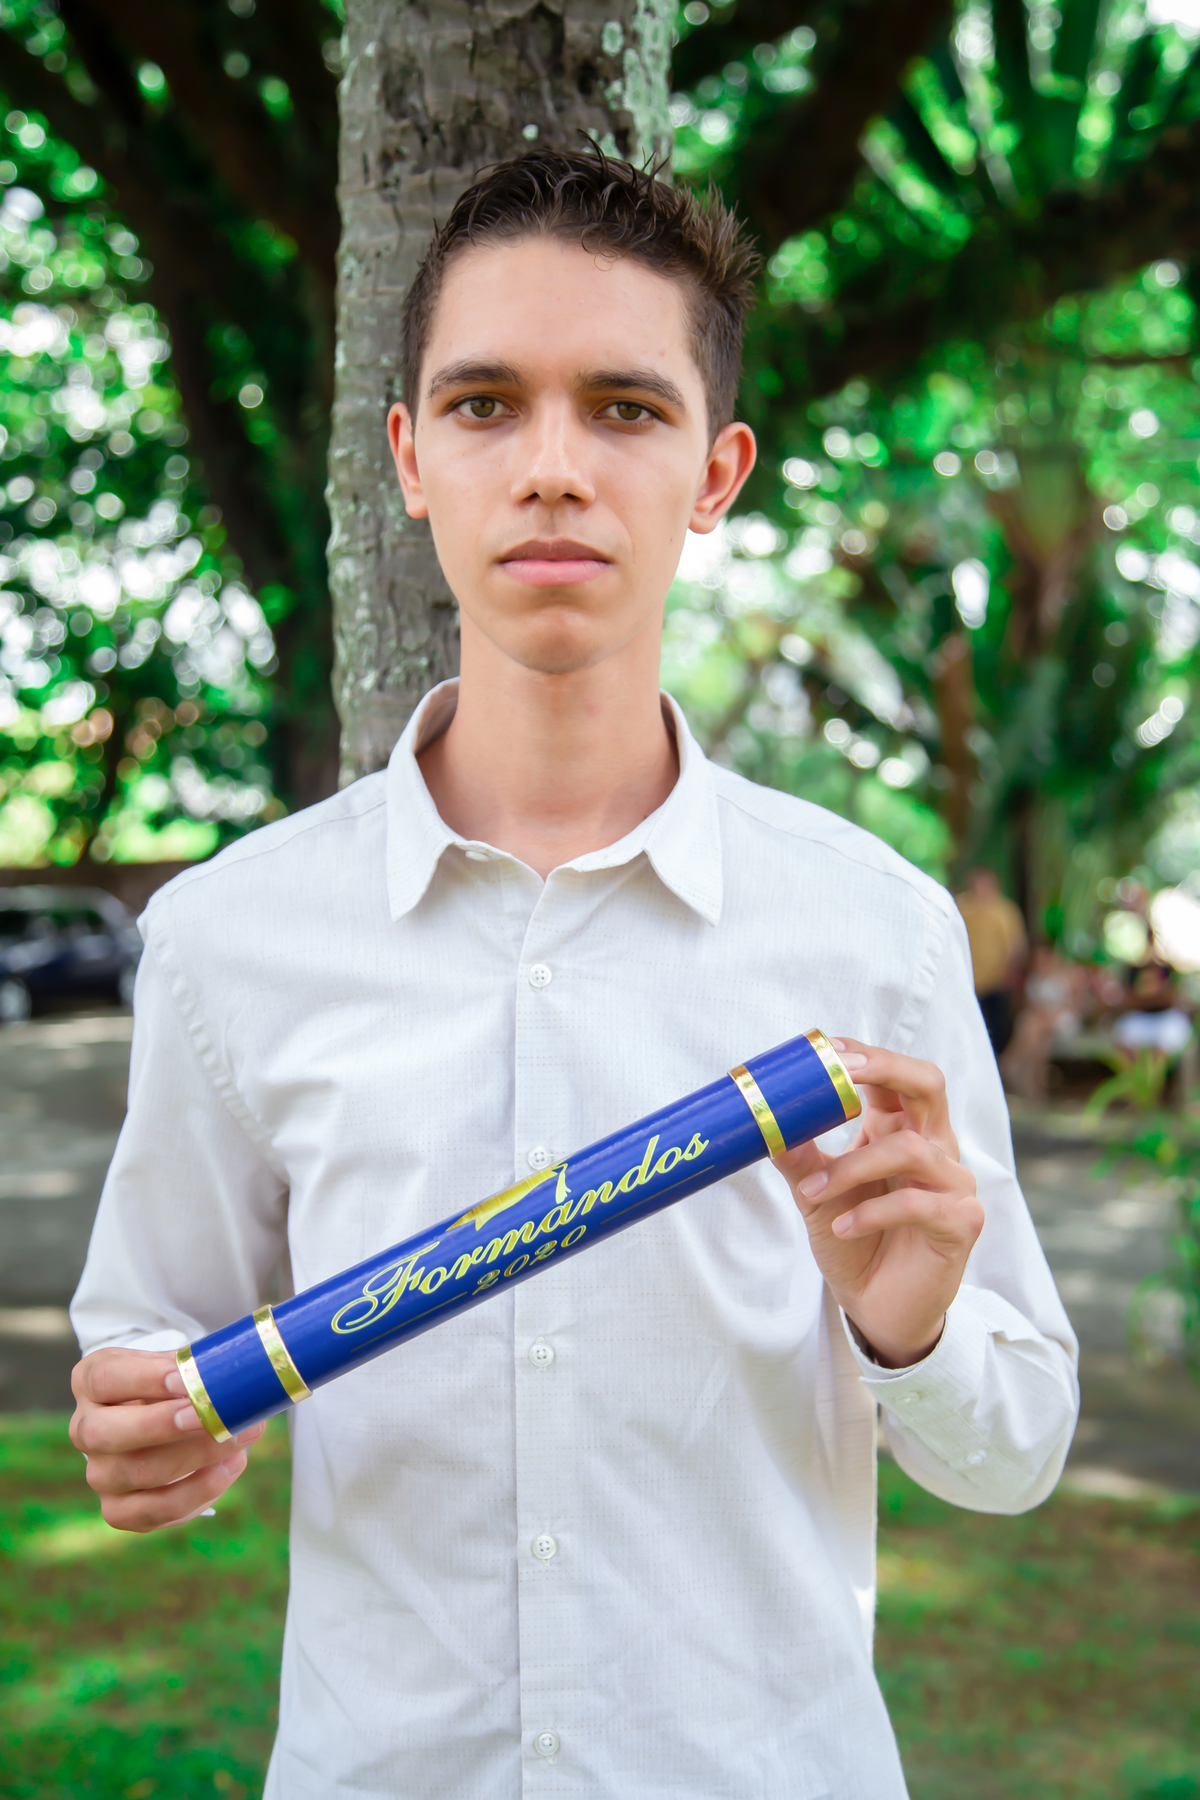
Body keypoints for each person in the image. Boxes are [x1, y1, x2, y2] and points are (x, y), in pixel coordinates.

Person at [68, 149, 1077, 1799]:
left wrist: (909, 1334)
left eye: (623, 407)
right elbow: (147, 1349)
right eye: (483, 406)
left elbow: (1019, 1451)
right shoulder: (227, 940)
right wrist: (156, 1433)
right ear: (406, 458)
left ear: (715, 469)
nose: (551, 469)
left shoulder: (873, 934)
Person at [955, 867, 1027, 1056]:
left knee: (997, 1026)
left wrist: (1010, 972)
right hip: (967, 980)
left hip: (996, 980)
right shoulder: (961, 907)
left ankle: (996, 1064)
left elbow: (1016, 945)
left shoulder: (1005, 910)